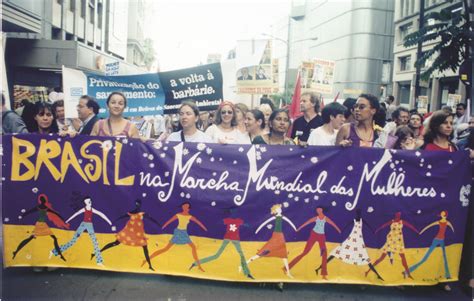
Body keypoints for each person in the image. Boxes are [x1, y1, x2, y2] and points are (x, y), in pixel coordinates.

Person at [95, 199, 161, 271]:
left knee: (145, 248)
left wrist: (158, 224)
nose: (137, 206)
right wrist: (114, 221)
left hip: (138, 234)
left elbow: (151, 219)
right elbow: (122, 217)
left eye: (138, 204)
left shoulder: (142, 213)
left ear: (140, 205)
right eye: (136, 204)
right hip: (128, 232)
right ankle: (98, 252)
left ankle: (150, 265)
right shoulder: (132, 212)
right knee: (116, 243)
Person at [50, 196, 112, 266]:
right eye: (88, 201)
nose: (90, 202)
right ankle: (54, 251)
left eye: (90, 201)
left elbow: (101, 214)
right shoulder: (84, 209)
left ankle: (99, 261)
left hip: (89, 226)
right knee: (72, 241)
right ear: (85, 203)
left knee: (95, 242)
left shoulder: (92, 209)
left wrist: (109, 222)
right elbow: (75, 214)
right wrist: (67, 220)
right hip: (83, 225)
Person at [146, 202, 208, 271]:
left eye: (186, 206)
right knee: (166, 249)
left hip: (184, 233)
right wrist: (163, 226)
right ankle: (148, 259)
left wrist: (204, 228)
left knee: (193, 247)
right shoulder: (178, 215)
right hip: (178, 233)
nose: (184, 208)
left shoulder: (190, 216)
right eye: (183, 206)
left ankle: (199, 266)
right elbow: (170, 221)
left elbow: (198, 222)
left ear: (188, 208)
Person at [288, 207, 341, 280]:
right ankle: (287, 267)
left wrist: (338, 230)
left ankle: (324, 274)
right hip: (314, 234)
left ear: (321, 210)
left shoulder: (325, 218)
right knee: (305, 252)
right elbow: (307, 222)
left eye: (319, 210)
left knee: (324, 254)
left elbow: (332, 223)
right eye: (317, 210)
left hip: (321, 236)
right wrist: (299, 228)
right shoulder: (316, 218)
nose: (318, 211)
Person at [12, 194, 69, 261]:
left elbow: (29, 212)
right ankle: (60, 255)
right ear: (44, 201)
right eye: (44, 199)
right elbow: (55, 213)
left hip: (42, 224)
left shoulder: (40, 207)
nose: (44, 200)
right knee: (52, 238)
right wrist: (62, 219)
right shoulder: (44, 208)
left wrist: (22, 215)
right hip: (40, 225)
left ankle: (16, 251)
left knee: (52, 238)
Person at [246, 204, 297, 278]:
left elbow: (290, 222)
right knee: (263, 252)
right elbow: (264, 223)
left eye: (280, 209)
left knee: (284, 256)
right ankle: (246, 263)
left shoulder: (282, 217)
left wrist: (295, 228)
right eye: (279, 209)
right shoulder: (275, 217)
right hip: (276, 237)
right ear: (276, 210)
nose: (280, 210)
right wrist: (257, 230)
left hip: (280, 237)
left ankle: (288, 272)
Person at [365, 212, 418, 279]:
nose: (398, 215)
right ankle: (368, 271)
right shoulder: (392, 221)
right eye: (397, 214)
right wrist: (377, 230)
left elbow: (410, 226)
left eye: (399, 214)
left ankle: (408, 273)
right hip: (390, 241)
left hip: (398, 242)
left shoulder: (402, 221)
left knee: (403, 257)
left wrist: (416, 231)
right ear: (395, 214)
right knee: (381, 258)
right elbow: (383, 225)